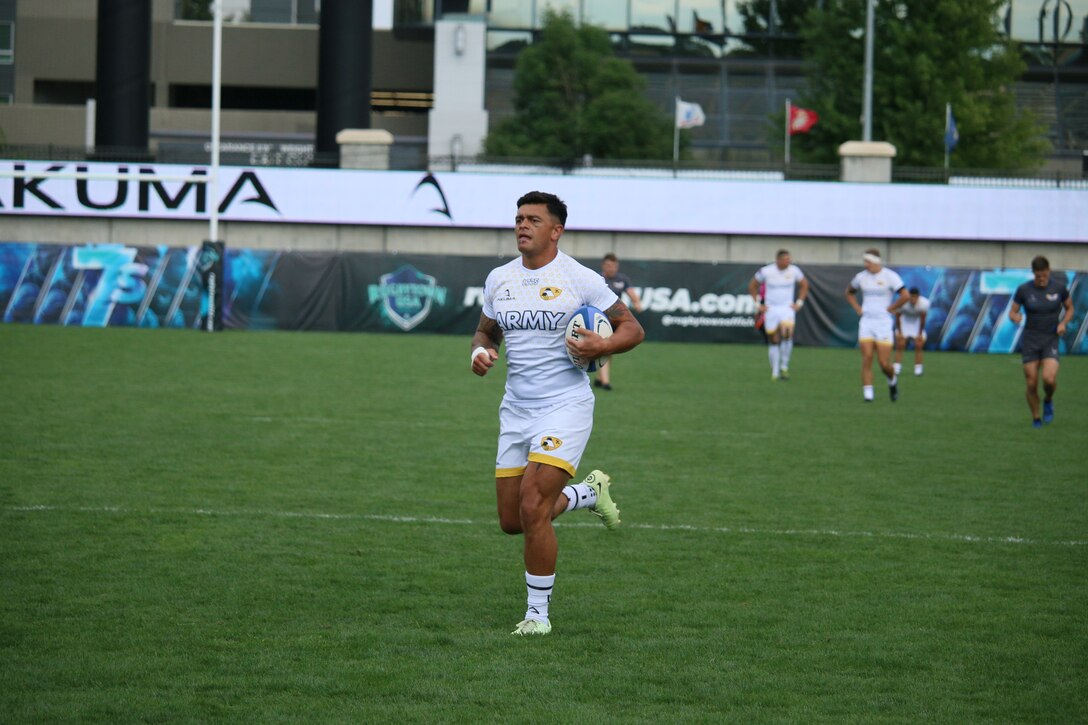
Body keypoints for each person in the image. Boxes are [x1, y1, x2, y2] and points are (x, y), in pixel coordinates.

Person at [470, 191, 645, 636]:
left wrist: (602, 345)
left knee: (533, 505)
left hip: (565, 406)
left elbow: (633, 328)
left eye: (532, 219)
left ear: (556, 230)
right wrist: (481, 351)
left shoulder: (580, 279)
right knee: (513, 521)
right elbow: (486, 331)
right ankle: (588, 493)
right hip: (515, 409)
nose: (522, 226)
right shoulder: (499, 279)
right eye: (518, 218)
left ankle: (537, 615)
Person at [1008, 255, 1074, 428]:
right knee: (1031, 382)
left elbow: (1070, 308)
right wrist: (1016, 317)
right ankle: (1036, 418)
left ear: (1048, 271)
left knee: (1049, 379)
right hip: (1030, 340)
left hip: (1050, 339)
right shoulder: (1024, 290)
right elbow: (1012, 312)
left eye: (1044, 275)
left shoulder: (1059, 288)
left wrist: (1063, 323)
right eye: (1038, 276)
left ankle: (1048, 400)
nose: (1042, 279)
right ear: (1033, 273)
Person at [845, 249, 909, 402]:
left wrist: (892, 308)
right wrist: (857, 308)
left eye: (868, 262)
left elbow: (905, 295)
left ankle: (892, 381)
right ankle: (868, 395)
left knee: (884, 363)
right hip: (867, 322)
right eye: (865, 262)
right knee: (867, 358)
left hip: (883, 323)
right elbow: (849, 292)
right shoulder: (861, 277)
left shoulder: (890, 276)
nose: (866, 265)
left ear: (876, 262)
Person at [748, 249, 809, 380]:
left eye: (789, 259)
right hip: (771, 309)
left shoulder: (794, 271)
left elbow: (804, 285)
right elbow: (752, 286)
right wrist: (758, 304)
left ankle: (784, 366)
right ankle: (775, 372)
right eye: (786, 259)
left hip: (786, 308)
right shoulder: (766, 271)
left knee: (787, 334)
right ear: (778, 260)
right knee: (773, 340)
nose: (789, 261)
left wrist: (799, 302)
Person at [595, 253, 643, 390]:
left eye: (614, 266)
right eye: (609, 266)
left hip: (615, 318)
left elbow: (632, 293)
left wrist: (637, 303)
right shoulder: (597, 279)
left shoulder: (622, 279)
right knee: (606, 349)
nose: (612, 269)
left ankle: (599, 378)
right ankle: (605, 382)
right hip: (600, 318)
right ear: (604, 265)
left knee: (610, 349)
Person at [894, 287, 930, 377]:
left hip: (916, 324)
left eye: (915, 297)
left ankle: (918, 368)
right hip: (904, 322)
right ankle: (897, 367)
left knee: (918, 345)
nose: (913, 299)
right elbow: (897, 317)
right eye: (911, 296)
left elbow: (922, 320)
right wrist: (900, 332)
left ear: (918, 297)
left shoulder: (924, 303)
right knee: (900, 344)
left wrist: (919, 333)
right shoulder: (902, 302)